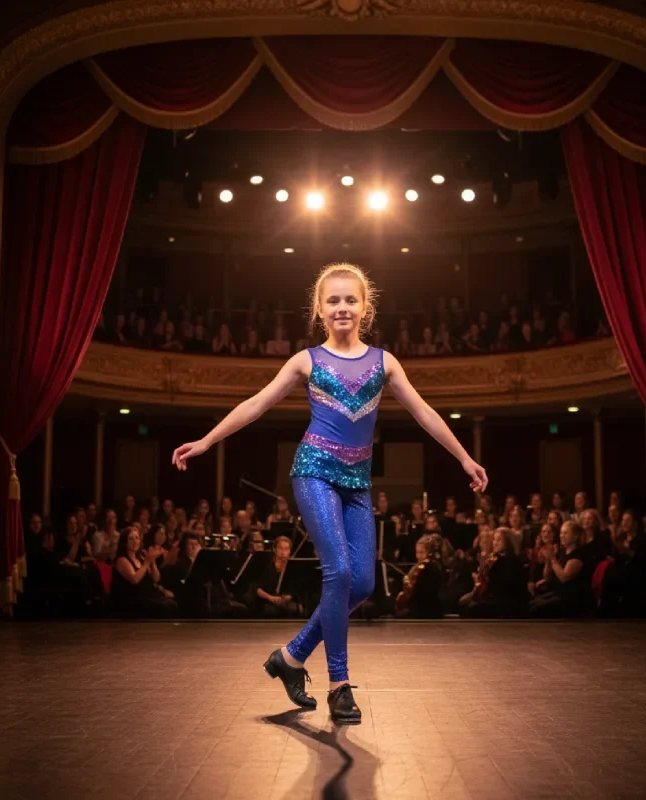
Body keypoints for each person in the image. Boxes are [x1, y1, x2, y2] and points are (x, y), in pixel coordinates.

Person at [172, 262, 487, 724]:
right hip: (314, 472)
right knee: (338, 571)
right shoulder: (306, 361)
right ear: (319, 309)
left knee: (361, 582)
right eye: (333, 301)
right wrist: (206, 441)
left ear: (366, 307)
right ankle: (339, 684)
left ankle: (291, 656)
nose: (342, 307)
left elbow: (425, 413)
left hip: (358, 482)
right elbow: (256, 405)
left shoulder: (384, 362)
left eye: (350, 300)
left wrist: (463, 457)